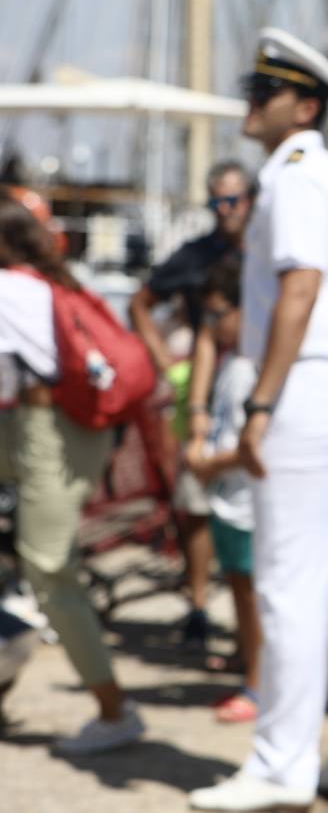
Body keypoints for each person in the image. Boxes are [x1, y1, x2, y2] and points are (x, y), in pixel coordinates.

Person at [190, 28, 328, 811]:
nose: (250, 102)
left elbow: (299, 288)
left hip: (307, 387)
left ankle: (282, 766)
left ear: (303, 106)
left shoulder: (295, 177)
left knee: (285, 580)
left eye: (262, 93)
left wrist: (262, 401)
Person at [0, 200, 145, 754]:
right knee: (44, 567)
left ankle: (115, 710)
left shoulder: (12, 288)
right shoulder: (48, 282)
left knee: (50, 569)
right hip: (50, 428)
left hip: (46, 430)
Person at [128, 159, 253, 651]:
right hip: (205, 388)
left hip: (252, 385)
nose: (225, 210)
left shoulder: (268, 249)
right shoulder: (196, 256)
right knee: (197, 503)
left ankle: (252, 641)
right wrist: (170, 368)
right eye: (217, 201)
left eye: (234, 200)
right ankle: (200, 605)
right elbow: (143, 304)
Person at [183, 258, 260, 724]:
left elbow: (256, 446)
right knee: (238, 591)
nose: (210, 327)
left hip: (249, 502)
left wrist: (209, 463)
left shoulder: (253, 367)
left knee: (253, 599)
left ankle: (258, 684)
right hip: (230, 500)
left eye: (217, 316)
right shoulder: (232, 360)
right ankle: (250, 672)